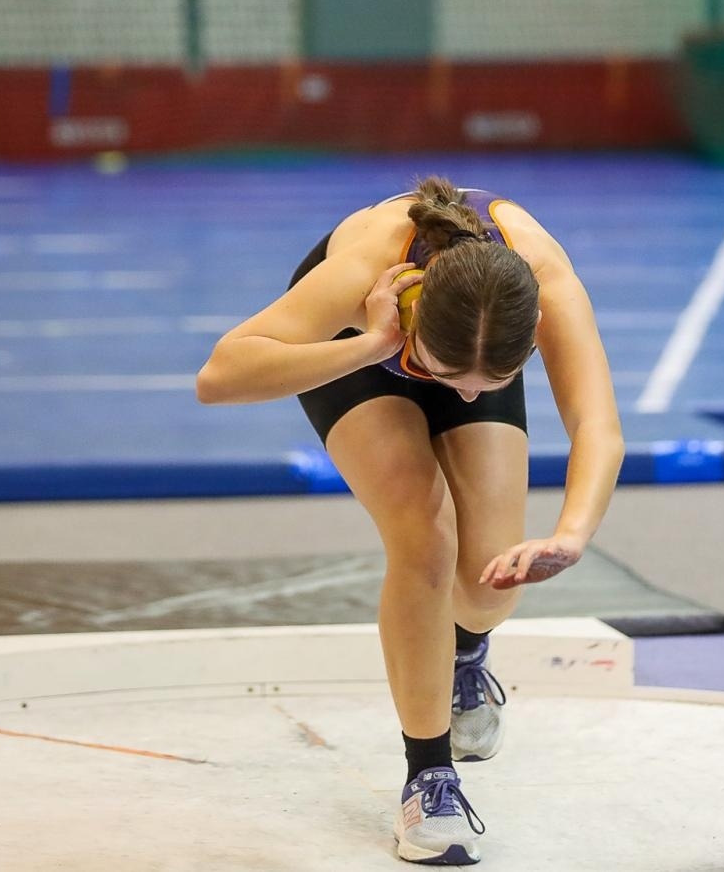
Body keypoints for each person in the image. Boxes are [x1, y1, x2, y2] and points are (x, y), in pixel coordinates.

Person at [195, 175, 624, 865]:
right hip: (359, 342)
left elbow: (597, 426)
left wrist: (571, 535)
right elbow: (217, 377)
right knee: (423, 538)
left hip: (448, 333)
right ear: (416, 321)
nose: (463, 394)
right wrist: (372, 344)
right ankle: (429, 779)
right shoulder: (368, 264)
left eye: (488, 383)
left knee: (489, 582)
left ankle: (462, 650)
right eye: (450, 373)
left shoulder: (545, 282)